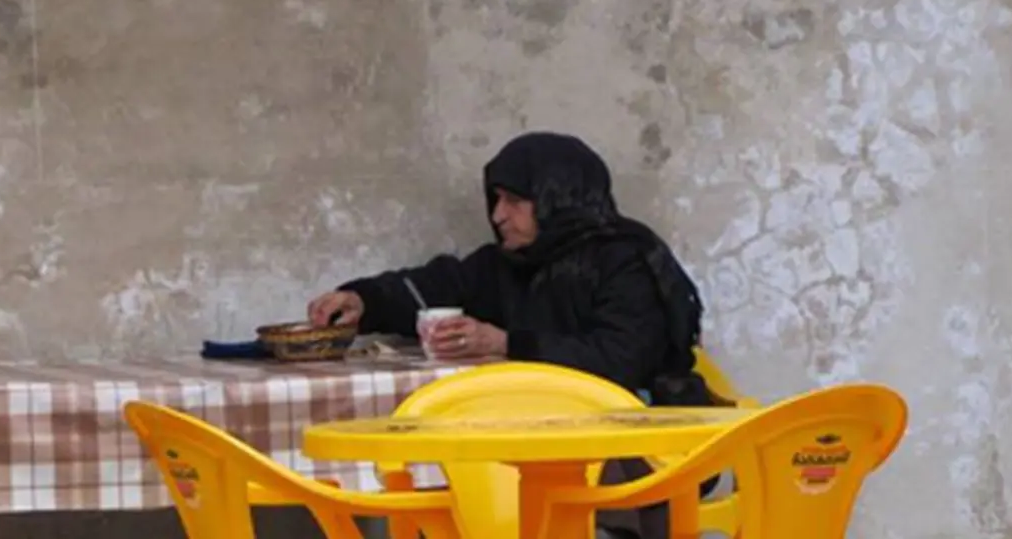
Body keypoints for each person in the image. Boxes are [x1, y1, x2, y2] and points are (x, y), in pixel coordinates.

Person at [307, 131, 720, 539]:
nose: (498, 215)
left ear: (557, 200)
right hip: (539, 442)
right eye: (497, 200)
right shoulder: (508, 264)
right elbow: (438, 286)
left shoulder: (626, 260)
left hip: (642, 440)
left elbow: (619, 358)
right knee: (459, 476)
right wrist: (364, 301)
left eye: (515, 201)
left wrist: (506, 343)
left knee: (550, 484)